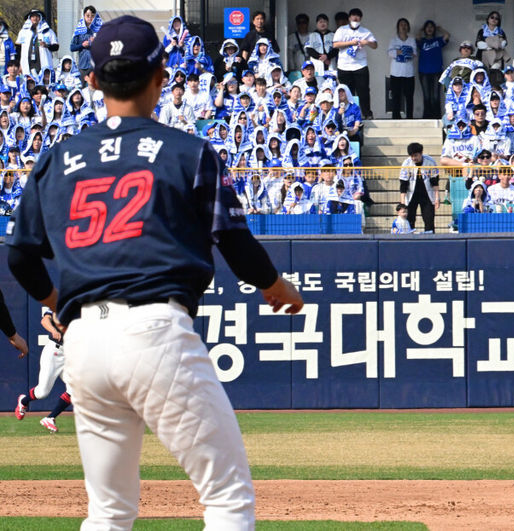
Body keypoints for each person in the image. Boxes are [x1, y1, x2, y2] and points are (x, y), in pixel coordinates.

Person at [5, 17, 303, 529]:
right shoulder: (189, 153)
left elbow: (19, 257)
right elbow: (236, 243)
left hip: (84, 346)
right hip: (154, 332)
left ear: (92, 80)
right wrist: (276, 287)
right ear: (162, 77)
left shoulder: (57, 159)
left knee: (109, 512)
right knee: (228, 498)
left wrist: (56, 303)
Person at [14, 312, 73, 433]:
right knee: (42, 392)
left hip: (70, 354)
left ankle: (50, 418)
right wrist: (53, 330)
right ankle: (23, 401)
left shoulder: (86, 308)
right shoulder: (62, 302)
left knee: (75, 389)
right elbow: (45, 320)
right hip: (54, 351)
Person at [333, 8, 377, 119]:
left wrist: (366, 42)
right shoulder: (342, 30)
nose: (355, 18)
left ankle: (367, 113)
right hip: (344, 66)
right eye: (353, 16)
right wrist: (350, 43)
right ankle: (348, 115)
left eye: (358, 16)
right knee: (346, 92)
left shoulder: (365, 31)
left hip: (360, 65)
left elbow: (375, 45)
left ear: (360, 18)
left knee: (363, 91)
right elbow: (335, 45)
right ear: (349, 18)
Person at [399, 142, 439, 233]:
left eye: (416, 155)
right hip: (411, 195)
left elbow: (435, 181)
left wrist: (437, 198)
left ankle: (430, 241)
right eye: (412, 156)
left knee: (429, 220)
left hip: (427, 195)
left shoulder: (430, 162)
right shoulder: (406, 163)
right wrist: (402, 202)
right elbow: (403, 184)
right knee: (409, 220)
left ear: (421, 153)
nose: (414, 158)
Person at [417, 21, 449, 119]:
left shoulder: (438, 40)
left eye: (431, 27)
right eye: (428, 27)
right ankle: (426, 118)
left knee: (435, 96)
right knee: (426, 96)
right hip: (424, 71)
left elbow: (447, 35)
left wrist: (440, 28)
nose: (429, 29)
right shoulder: (422, 41)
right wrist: (421, 29)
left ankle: (437, 117)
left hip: (437, 71)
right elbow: (417, 37)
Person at [15, 10, 58, 79]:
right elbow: (18, 48)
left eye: (37, 16)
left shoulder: (48, 31)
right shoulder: (23, 32)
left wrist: (47, 45)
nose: (35, 18)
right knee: (28, 83)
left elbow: (56, 47)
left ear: (40, 18)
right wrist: (18, 65)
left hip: (43, 62)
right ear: (30, 18)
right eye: (32, 16)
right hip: (27, 63)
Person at [388, 18, 416, 120]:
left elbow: (414, 54)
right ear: (398, 27)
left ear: (408, 27)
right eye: (401, 25)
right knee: (396, 96)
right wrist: (399, 52)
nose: (403, 27)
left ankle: (409, 117)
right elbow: (390, 53)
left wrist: (402, 52)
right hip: (395, 72)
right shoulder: (393, 40)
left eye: (405, 25)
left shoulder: (411, 40)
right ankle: (396, 117)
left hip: (408, 72)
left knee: (409, 96)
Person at [70, 6, 102, 76]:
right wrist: (82, 45)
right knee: (82, 86)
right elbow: (72, 48)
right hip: (83, 65)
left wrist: (97, 42)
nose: (90, 18)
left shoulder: (100, 30)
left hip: (96, 65)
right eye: (88, 15)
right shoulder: (78, 30)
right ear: (84, 16)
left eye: (92, 16)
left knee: (95, 86)